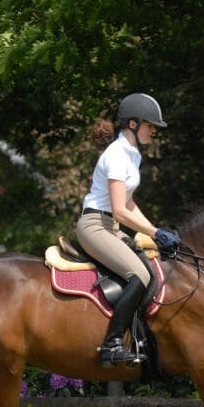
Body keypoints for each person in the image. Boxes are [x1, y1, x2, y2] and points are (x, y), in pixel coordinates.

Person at [76, 93, 180, 368]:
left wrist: (155, 230)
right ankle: (110, 345)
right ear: (133, 124)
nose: (153, 131)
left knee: (152, 265)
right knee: (140, 274)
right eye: (150, 125)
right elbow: (120, 210)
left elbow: (130, 203)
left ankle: (139, 337)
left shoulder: (131, 155)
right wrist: (155, 233)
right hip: (95, 225)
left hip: (109, 226)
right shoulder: (117, 155)